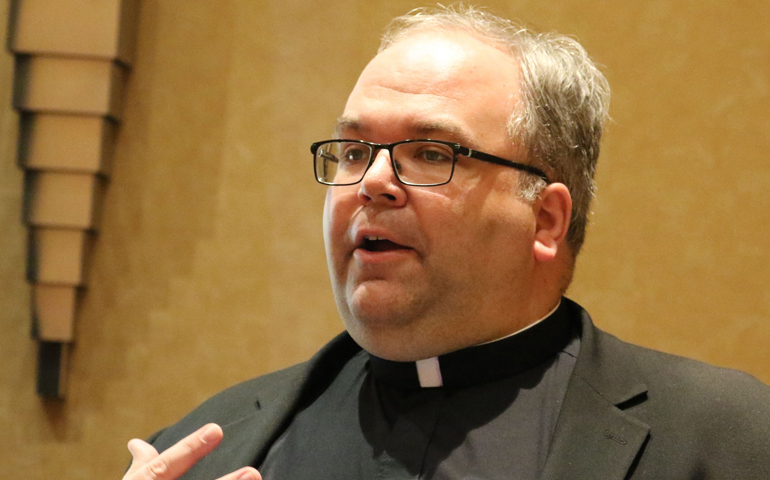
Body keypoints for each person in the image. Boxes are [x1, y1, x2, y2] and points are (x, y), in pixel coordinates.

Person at [123, 6, 770, 480]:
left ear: (544, 220)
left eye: (430, 152)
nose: (373, 181)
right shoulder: (206, 451)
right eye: (353, 150)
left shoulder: (732, 441)